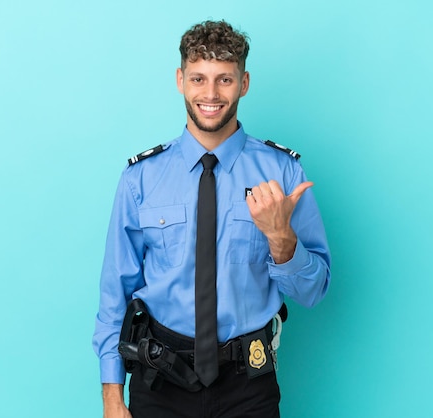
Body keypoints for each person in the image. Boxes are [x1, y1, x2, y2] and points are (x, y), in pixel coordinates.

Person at [92, 20, 331, 418]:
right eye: (199, 78)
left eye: (224, 79)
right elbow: (115, 291)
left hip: (248, 385)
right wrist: (112, 396)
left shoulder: (283, 175)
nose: (210, 94)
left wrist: (281, 241)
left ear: (244, 82)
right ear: (180, 79)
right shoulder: (141, 179)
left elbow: (314, 290)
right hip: (159, 380)